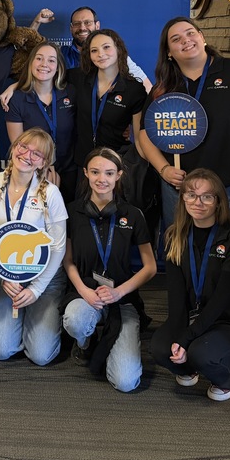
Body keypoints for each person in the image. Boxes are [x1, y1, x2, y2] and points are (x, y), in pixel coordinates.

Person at [137, 17, 230, 232]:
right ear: (169, 52)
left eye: (191, 33)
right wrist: (163, 170)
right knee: (181, 249)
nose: (186, 40)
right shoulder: (164, 88)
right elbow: (145, 133)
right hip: (181, 189)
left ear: (202, 37)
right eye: (176, 39)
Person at [150, 169, 230, 401]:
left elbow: (222, 299)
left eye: (207, 196)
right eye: (191, 195)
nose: (198, 202)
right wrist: (178, 337)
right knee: (160, 348)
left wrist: (187, 338)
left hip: (227, 320)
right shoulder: (174, 236)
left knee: (201, 352)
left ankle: (228, 377)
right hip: (191, 317)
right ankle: (189, 367)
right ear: (183, 198)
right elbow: (175, 298)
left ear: (218, 202)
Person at [63, 147, 156, 392]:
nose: (101, 179)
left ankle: (116, 339)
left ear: (119, 175)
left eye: (109, 173)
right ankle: (85, 343)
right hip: (86, 293)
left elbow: (150, 267)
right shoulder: (72, 211)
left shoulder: (133, 215)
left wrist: (119, 293)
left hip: (121, 297)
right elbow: (68, 261)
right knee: (76, 320)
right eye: (95, 172)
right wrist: (83, 290)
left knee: (126, 382)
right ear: (85, 173)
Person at [0, 128, 68, 365]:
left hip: (44, 278)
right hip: (6, 276)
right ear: (14, 147)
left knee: (41, 355)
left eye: (37, 154)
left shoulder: (51, 193)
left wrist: (36, 289)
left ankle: (43, 316)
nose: (27, 155)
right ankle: (20, 321)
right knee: (1, 349)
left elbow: (57, 248)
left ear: (44, 163)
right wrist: (4, 277)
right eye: (23, 147)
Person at [68, 29, 146, 190]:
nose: (100, 54)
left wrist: (137, 171)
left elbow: (139, 139)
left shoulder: (134, 89)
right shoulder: (77, 78)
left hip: (114, 168)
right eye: (94, 50)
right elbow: (41, 77)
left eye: (106, 47)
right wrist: (14, 87)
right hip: (83, 165)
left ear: (118, 49)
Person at [2, 42, 76, 201]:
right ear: (30, 63)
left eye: (51, 60)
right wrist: (42, 169)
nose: (44, 64)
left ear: (58, 66)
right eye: (39, 59)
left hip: (70, 171)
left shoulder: (71, 92)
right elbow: (18, 145)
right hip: (33, 171)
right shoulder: (17, 99)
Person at [29, 6, 152, 90]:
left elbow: (145, 85)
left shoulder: (112, 56)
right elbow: (28, 49)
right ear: (71, 28)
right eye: (77, 24)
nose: (82, 28)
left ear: (97, 25)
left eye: (87, 22)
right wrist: (36, 22)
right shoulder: (60, 52)